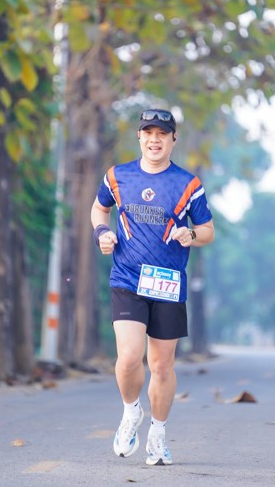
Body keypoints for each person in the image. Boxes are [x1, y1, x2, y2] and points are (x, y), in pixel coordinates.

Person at [90, 108, 215, 466]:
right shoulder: (117, 176)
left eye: (162, 134)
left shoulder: (188, 184)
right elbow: (99, 209)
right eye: (148, 133)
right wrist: (102, 232)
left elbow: (208, 230)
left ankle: (158, 435)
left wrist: (191, 234)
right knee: (129, 358)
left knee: (161, 366)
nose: (155, 140)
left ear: (174, 139)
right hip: (127, 278)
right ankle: (131, 410)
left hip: (167, 284)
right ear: (139, 137)